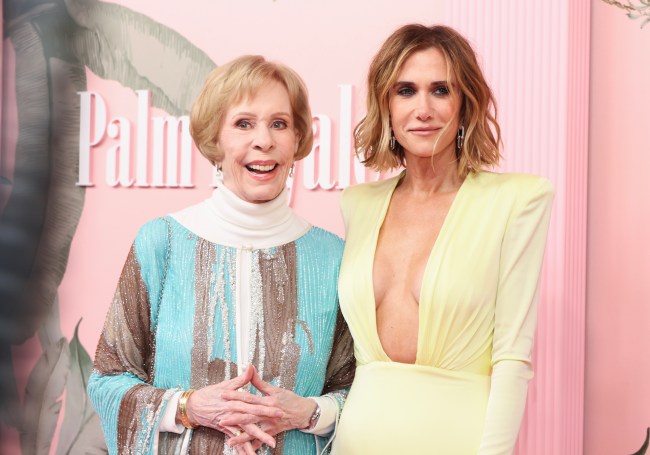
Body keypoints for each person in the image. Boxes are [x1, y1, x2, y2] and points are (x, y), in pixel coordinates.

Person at [88, 55, 355, 455]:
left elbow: (361, 390)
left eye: (279, 124)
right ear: (215, 140)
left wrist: (309, 413)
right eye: (243, 124)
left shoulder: (334, 257)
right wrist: (188, 407)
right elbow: (108, 380)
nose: (263, 140)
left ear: (298, 139)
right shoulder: (161, 242)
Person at [332, 24, 554, 455]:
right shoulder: (357, 204)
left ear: (466, 105)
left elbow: (512, 358)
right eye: (405, 91)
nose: (423, 109)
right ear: (386, 104)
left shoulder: (519, 200)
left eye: (440, 90)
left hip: (459, 441)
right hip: (356, 441)